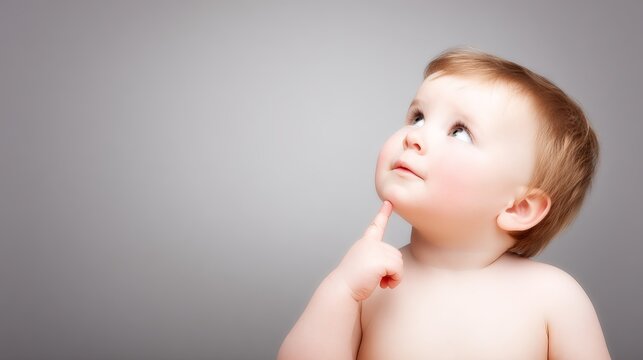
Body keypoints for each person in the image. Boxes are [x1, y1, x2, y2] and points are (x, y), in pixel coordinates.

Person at [277, 48, 611, 360]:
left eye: (460, 132)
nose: (413, 136)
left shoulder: (554, 298)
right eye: (418, 117)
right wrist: (340, 290)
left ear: (518, 207)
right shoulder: (369, 288)